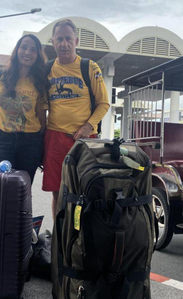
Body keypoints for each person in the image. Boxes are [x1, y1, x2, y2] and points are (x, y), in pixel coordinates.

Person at [43, 19, 109, 219]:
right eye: (60, 39)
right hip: (54, 138)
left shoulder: (89, 67)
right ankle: (60, 239)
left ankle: (81, 237)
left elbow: (104, 103)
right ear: (53, 42)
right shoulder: (46, 69)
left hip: (84, 140)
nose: (64, 44)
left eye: (68, 39)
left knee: (85, 190)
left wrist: (88, 126)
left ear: (76, 41)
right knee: (58, 192)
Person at [0, 34, 48, 184]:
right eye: (24, 47)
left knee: (23, 190)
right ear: (17, 50)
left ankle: (22, 209)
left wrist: (40, 147)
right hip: (2, 140)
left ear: (38, 55)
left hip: (30, 143)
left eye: (33, 50)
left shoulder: (40, 83)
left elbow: (42, 118)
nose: (27, 53)